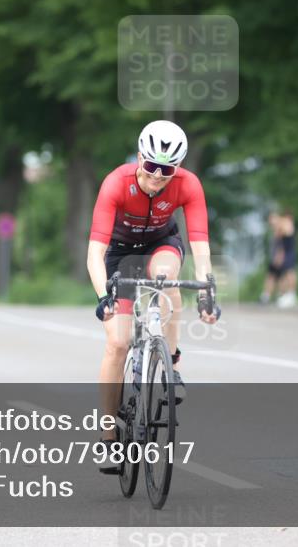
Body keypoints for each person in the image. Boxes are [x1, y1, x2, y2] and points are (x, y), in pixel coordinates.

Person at [87, 120, 219, 474]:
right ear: (141, 157)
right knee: (117, 343)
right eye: (152, 167)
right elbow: (94, 254)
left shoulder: (188, 185)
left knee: (166, 279)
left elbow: (200, 244)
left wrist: (207, 289)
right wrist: (104, 296)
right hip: (119, 254)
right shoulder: (116, 183)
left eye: (168, 171)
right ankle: (108, 435)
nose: (159, 177)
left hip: (162, 244)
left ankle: (171, 364)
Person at [261, 210, 298, 307]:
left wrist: (280, 255)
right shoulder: (278, 227)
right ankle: (282, 294)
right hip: (282, 253)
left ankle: (291, 294)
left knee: (289, 272)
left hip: (287, 252)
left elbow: (283, 242)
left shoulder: (284, 224)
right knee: (281, 275)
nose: (271, 223)